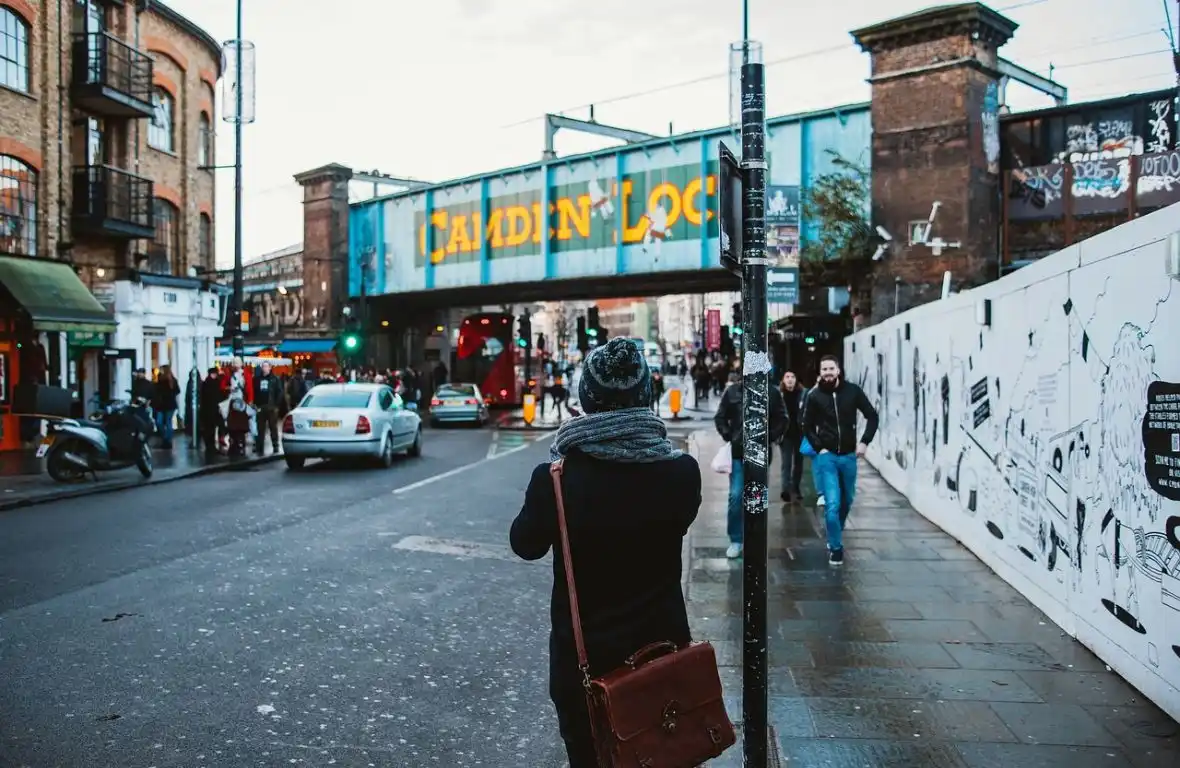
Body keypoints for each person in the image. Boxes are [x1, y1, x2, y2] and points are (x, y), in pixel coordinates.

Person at [510, 337, 701, 767]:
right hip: (662, 655)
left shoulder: (556, 481)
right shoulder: (682, 474)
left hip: (585, 667)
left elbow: (524, 544)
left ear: (586, 400)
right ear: (646, 398)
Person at [802, 355, 879, 566]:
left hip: (848, 457)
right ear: (820, 372)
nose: (827, 372)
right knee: (833, 503)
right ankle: (835, 547)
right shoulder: (814, 395)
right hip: (827, 458)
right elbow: (806, 425)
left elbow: (872, 415)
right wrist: (820, 448)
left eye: (831, 368)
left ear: (838, 370)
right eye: (824, 369)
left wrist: (864, 442)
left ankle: (835, 528)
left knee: (848, 500)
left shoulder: (852, 391)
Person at [713, 371, 787, 559]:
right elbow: (720, 417)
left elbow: (782, 418)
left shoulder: (771, 392)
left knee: (756, 498)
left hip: (760, 454)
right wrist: (730, 436)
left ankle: (754, 538)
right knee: (736, 496)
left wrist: (769, 437)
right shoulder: (733, 392)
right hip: (738, 453)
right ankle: (736, 539)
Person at [778, 370, 805, 502]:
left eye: (792, 377)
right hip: (785, 434)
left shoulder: (803, 394)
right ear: (783, 380)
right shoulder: (779, 395)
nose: (790, 379)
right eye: (787, 377)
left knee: (799, 463)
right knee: (786, 462)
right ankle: (785, 489)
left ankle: (796, 487)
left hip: (800, 433)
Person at [252, 361, 285, 456]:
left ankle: (275, 446)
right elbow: (254, 391)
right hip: (260, 406)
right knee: (260, 428)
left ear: (270, 368)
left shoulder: (275, 379)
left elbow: (280, 392)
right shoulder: (257, 379)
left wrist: (276, 405)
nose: (265, 368)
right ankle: (260, 446)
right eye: (263, 366)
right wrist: (255, 403)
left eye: (266, 366)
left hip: (271, 406)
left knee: (273, 427)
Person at [151, 366, 180, 450]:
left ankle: (167, 440)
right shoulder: (165, 380)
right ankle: (166, 439)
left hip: (166, 405)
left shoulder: (170, 381)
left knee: (166, 422)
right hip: (164, 405)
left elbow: (176, 391)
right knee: (162, 422)